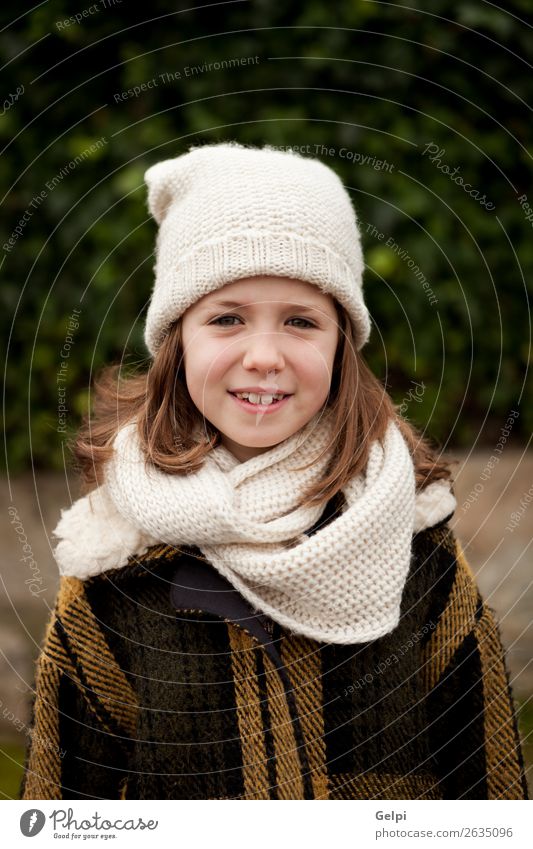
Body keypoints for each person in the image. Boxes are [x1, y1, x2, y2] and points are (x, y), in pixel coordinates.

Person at [21, 142, 528, 801]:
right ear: (176, 342)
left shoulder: (416, 554)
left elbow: (489, 794)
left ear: (342, 347)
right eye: (226, 318)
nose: (263, 355)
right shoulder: (113, 572)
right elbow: (62, 810)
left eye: (300, 321)